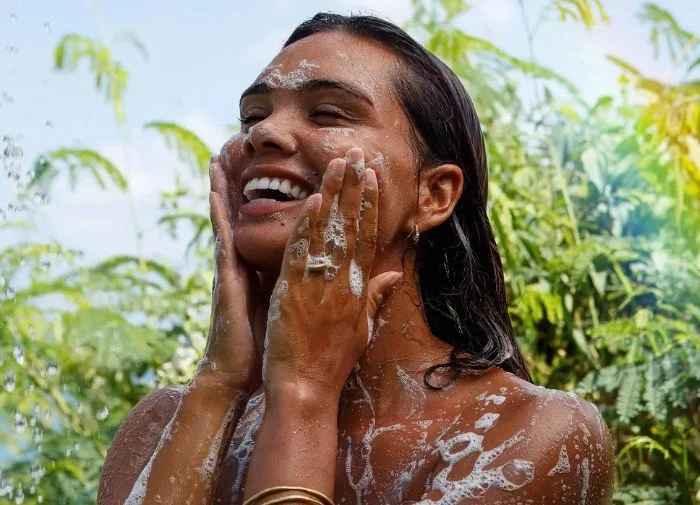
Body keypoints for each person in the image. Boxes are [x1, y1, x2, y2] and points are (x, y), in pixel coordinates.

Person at [97, 12, 615, 505]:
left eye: (327, 112)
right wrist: (218, 384)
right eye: (253, 115)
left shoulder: (525, 434)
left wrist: (303, 397)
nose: (263, 132)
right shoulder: (162, 424)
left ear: (433, 195)